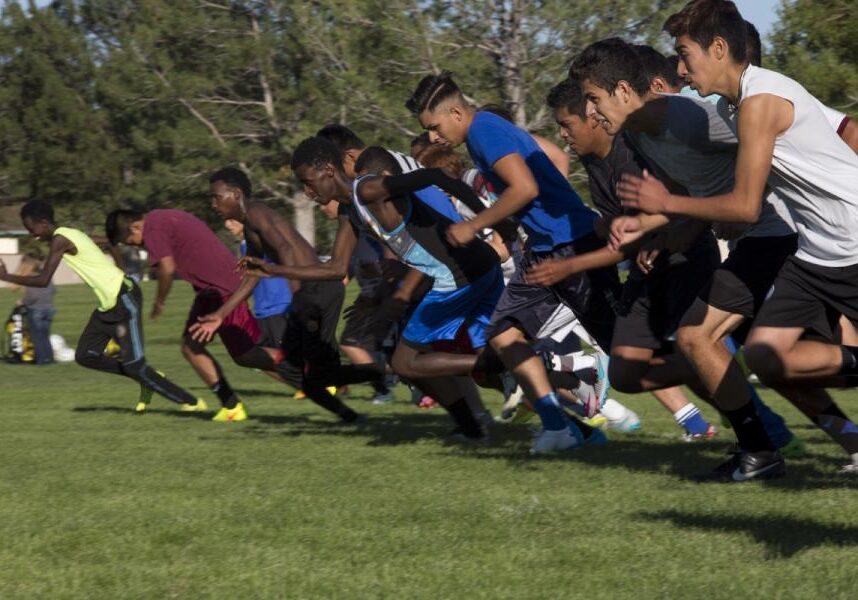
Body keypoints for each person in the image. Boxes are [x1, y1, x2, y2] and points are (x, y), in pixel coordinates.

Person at [605, 0, 858, 477]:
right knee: (763, 355)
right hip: (814, 249)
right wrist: (667, 225)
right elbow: (731, 193)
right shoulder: (731, 104)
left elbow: (743, 204)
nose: (679, 69)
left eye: (684, 55)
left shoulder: (762, 101)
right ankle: (801, 448)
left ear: (718, 48)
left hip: (847, 239)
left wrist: (670, 206)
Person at [406, 71, 620, 453]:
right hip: (545, 248)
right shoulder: (480, 134)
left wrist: (474, 225)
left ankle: (735, 404)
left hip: (570, 243)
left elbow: (526, 187)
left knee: (627, 349)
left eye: (435, 128)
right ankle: (559, 427)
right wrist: (507, 229)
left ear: (455, 112)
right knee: (503, 332)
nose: (435, 138)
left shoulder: (485, 132)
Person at [253, 137, 504, 441]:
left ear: (330, 170)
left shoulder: (369, 188)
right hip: (461, 273)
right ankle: (479, 420)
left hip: (460, 275)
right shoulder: (350, 212)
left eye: (309, 182)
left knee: (406, 362)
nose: (307, 191)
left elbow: (436, 176)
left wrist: (488, 222)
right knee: (419, 360)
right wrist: (273, 270)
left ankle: (499, 370)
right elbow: (334, 268)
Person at [542, 74, 717, 440]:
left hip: (686, 259)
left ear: (592, 116)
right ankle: (710, 381)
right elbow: (621, 227)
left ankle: (756, 427)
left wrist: (569, 265)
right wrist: (609, 225)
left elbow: (684, 200)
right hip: (646, 272)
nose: (563, 135)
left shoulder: (634, 151)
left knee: (698, 347)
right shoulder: (593, 163)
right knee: (624, 372)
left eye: (566, 125)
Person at [191, 167, 370, 425]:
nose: (213, 204)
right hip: (311, 291)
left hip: (316, 290)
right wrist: (220, 315)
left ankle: (391, 374)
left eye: (217, 197)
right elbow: (252, 274)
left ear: (236, 194)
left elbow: (285, 251)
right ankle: (351, 413)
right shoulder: (251, 225)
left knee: (313, 367)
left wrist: (298, 301)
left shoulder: (256, 213)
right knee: (295, 368)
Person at [0, 201, 205, 412]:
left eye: (30, 228)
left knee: (135, 363)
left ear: (43, 223)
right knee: (85, 355)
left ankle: (191, 402)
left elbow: (43, 280)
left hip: (124, 298)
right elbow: (108, 243)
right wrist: (122, 271)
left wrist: (6, 276)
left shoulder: (61, 239)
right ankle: (145, 376)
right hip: (108, 305)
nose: (31, 234)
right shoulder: (71, 233)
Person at [106, 208, 286, 422]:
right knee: (191, 346)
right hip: (209, 291)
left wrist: (159, 302)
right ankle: (232, 406)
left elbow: (167, 268)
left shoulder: (153, 227)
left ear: (135, 227)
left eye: (130, 241)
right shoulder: (160, 219)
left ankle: (309, 369)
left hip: (223, 290)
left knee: (247, 354)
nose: (134, 245)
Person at [14, 257, 56, 365]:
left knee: (37, 337)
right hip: (49, 309)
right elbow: (53, 290)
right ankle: (49, 358)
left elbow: (32, 296)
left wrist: (22, 301)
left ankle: (42, 360)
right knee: (45, 335)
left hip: (36, 310)